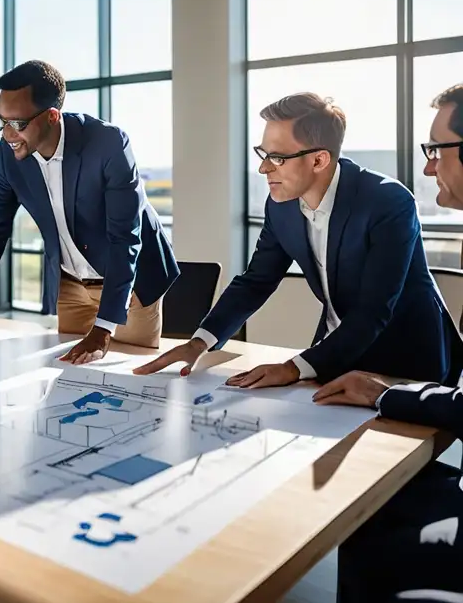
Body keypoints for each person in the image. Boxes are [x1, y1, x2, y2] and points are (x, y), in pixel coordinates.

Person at [135, 91, 458, 387]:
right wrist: (199, 343)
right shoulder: (282, 206)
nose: (263, 168)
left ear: (318, 160)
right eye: (262, 153)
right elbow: (256, 281)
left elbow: (374, 309)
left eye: (277, 157)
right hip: (333, 350)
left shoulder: (386, 201)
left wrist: (292, 367)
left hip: (406, 355)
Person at [0, 60, 180, 364]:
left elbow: (124, 238)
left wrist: (103, 329)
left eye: (17, 124)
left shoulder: (108, 144)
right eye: (1, 122)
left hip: (130, 283)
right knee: (68, 374)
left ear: (52, 116)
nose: (7, 135)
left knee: (128, 375)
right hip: (70, 283)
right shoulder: (10, 154)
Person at [313, 83, 463, 603]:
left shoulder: (385, 201)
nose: (428, 168)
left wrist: (384, 394)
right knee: (361, 509)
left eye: (436, 150)